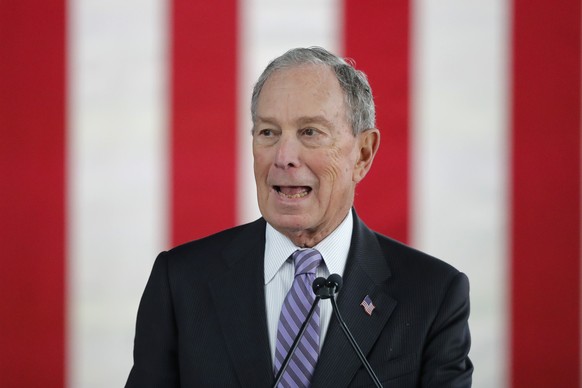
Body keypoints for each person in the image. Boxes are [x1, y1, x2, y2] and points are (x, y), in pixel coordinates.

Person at [126, 47, 473, 387]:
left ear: (363, 154)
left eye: (310, 132)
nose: (284, 156)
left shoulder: (433, 296)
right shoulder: (181, 282)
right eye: (268, 132)